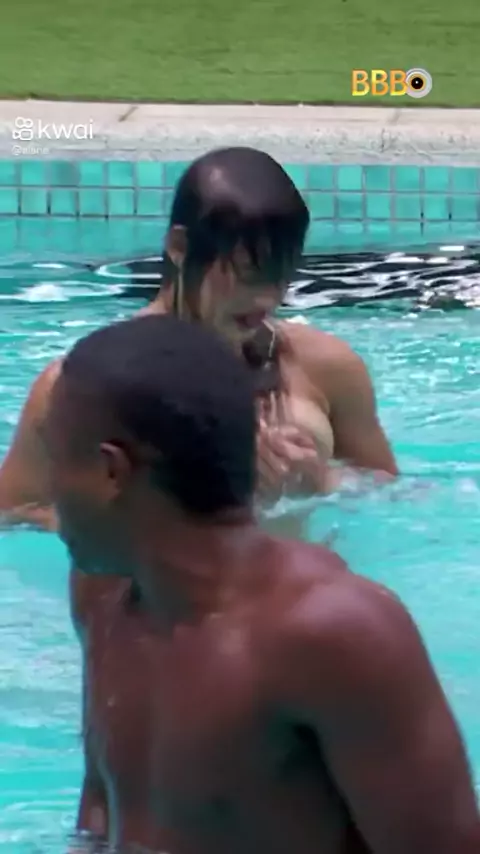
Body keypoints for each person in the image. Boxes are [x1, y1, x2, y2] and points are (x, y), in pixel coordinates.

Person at [46, 315, 479, 854]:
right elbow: (101, 808)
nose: (49, 490)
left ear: (112, 470)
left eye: (54, 458)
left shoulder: (333, 636)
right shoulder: (103, 594)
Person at [0, 146, 396, 531]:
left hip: (298, 576)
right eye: (247, 274)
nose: (268, 298)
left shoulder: (325, 367)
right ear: (180, 247)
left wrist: (322, 483)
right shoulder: (79, 387)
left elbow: (394, 494)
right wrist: (182, 511)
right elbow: (12, 515)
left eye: (280, 274)